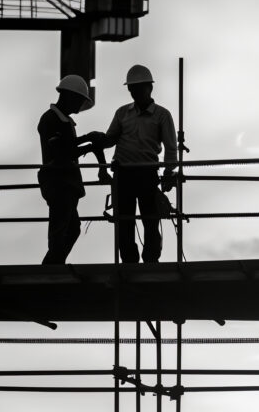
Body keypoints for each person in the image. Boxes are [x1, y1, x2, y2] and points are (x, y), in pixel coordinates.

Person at [97, 64, 178, 263]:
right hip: (123, 173)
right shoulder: (122, 113)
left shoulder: (162, 115)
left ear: (149, 88)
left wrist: (168, 172)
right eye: (131, 89)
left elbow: (171, 147)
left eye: (138, 88)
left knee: (150, 220)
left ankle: (151, 260)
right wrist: (96, 141)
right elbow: (110, 139)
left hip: (147, 173)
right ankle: (129, 262)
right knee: (124, 222)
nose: (134, 92)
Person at [36, 75, 107, 264]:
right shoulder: (50, 120)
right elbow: (62, 151)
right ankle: (51, 269)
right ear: (69, 96)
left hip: (67, 183)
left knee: (72, 228)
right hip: (58, 182)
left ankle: (54, 264)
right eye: (80, 100)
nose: (81, 105)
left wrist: (99, 160)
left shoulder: (64, 121)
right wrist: (88, 139)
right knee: (60, 230)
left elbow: (71, 148)